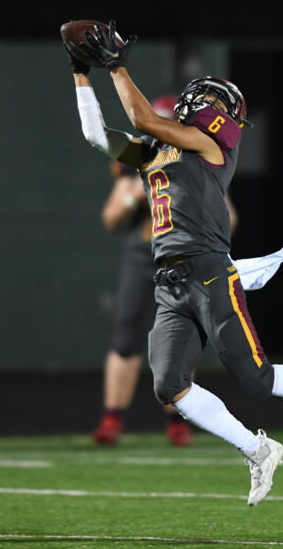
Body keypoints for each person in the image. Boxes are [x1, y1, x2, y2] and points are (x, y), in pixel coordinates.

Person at [67, 20, 283, 506]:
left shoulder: (214, 145)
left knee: (254, 377)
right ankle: (257, 449)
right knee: (169, 385)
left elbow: (144, 118)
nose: (209, 108)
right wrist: (81, 72)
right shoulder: (156, 152)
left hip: (209, 269)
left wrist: (117, 68)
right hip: (169, 280)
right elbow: (95, 135)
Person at [92, 96, 239, 447]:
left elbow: (229, 219)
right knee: (127, 336)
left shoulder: (198, 158)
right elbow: (111, 217)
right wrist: (133, 198)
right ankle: (113, 418)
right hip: (145, 255)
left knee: (181, 339)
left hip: (186, 259)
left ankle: (179, 419)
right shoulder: (138, 158)